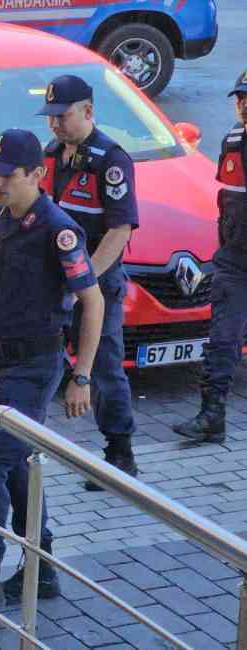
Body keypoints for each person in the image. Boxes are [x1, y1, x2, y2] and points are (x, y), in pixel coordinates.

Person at [0, 130, 103, 622]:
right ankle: (41, 566)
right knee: (16, 463)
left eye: (8, 176)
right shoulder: (0, 216)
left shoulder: (60, 230)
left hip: (34, 366)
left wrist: (82, 376)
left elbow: (92, 301)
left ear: (36, 174)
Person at [39, 75, 140, 490]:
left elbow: (119, 231)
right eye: (50, 117)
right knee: (30, 361)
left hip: (97, 283)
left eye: (62, 116)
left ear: (87, 111)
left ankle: (120, 454)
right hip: (55, 280)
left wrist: (85, 282)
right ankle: (6, 449)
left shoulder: (110, 160)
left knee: (103, 365)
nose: (54, 124)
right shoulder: (51, 155)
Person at [174, 70, 247, 444]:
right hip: (235, 260)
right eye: (241, 99)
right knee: (222, 338)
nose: (244, 106)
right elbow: (228, 201)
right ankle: (212, 416)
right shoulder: (233, 140)